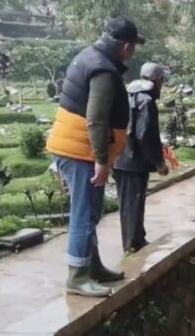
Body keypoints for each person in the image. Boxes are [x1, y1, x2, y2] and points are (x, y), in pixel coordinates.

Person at [46, 16, 145, 298]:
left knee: (91, 211)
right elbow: (96, 119)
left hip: (76, 147)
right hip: (80, 151)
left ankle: (93, 266)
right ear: (126, 46)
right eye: (134, 46)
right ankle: (77, 276)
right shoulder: (103, 71)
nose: (133, 50)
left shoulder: (89, 57)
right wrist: (102, 160)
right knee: (83, 214)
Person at [113, 62, 169, 253]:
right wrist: (158, 162)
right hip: (133, 160)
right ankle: (132, 245)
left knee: (130, 203)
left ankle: (137, 239)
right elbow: (145, 135)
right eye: (162, 80)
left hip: (120, 157)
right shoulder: (146, 100)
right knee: (133, 203)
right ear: (157, 80)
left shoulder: (129, 95)